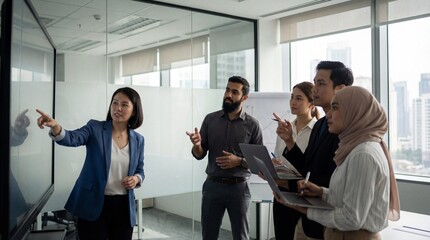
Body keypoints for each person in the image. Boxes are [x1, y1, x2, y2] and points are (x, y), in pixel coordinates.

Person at [275, 86, 401, 240]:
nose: (328, 114)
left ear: (354, 112)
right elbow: (348, 199)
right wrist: (322, 192)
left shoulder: (363, 154)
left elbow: (352, 218)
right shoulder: (355, 148)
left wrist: (304, 209)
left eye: (335, 108)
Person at [36, 87, 145, 240]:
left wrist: (137, 179)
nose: (118, 108)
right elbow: (72, 138)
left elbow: (140, 169)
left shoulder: (138, 139)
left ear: (134, 111)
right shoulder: (95, 128)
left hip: (123, 207)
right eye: (114, 103)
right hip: (94, 203)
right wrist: (56, 127)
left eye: (124, 104)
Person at [274, 60, 354, 240]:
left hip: (329, 219)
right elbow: (307, 166)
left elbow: (335, 178)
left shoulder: (345, 128)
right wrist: (290, 143)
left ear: (340, 89)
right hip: (309, 216)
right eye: (315, 82)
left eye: (321, 83)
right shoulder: (320, 124)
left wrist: (291, 184)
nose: (315, 89)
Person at [186, 76, 263, 240]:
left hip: (239, 189)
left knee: (241, 236)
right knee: (208, 235)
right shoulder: (210, 119)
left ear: (244, 98)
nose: (228, 94)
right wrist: (197, 144)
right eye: (227, 90)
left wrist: (239, 161)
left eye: (234, 92)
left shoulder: (252, 125)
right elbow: (199, 154)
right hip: (212, 186)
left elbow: (259, 163)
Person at [272, 82, 319, 240]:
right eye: (292, 97)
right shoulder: (285, 128)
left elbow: (310, 167)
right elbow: (279, 157)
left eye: (299, 98)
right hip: (281, 193)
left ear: (311, 104)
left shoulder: (318, 131)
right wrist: (273, 165)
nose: (293, 102)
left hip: (305, 195)